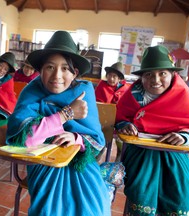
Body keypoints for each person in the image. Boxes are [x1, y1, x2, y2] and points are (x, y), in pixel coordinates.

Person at [6, 31, 124, 216]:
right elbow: (27, 139)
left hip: (80, 161)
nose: (57, 76)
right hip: (45, 162)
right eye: (50, 67)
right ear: (41, 71)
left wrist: (76, 137)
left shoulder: (84, 91)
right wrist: (65, 114)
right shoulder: (31, 92)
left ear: (75, 72)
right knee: (51, 209)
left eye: (65, 69)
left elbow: (96, 140)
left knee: (95, 206)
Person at [115, 45, 189, 215]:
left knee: (181, 195)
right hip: (141, 154)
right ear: (141, 78)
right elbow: (120, 118)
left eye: (162, 73)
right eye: (149, 74)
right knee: (142, 193)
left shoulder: (183, 94)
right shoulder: (132, 95)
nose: (156, 79)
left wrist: (183, 137)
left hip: (174, 155)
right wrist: (125, 126)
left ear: (172, 74)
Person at [95, 62, 130, 162]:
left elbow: (127, 107)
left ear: (119, 79)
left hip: (119, 122)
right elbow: (97, 104)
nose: (111, 79)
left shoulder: (126, 89)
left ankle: (117, 165)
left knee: (122, 147)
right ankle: (94, 164)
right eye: (109, 75)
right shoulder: (102, 86)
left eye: (114, 76)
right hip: (104, 122)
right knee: (101, 145)